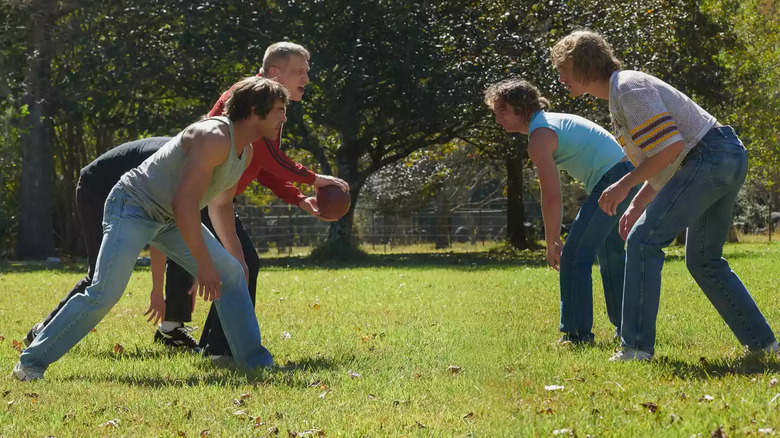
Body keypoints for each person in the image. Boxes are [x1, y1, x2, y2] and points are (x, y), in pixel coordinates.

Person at [13, 76, 286, 381]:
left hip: (168, 219)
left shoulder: (244, 151)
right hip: (133, 208)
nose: (284, 118)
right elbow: (185, 203)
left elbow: (219, 206)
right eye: (279, 110)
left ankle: (254, 363)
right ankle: (31, 363)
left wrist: (236, 260)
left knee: (233, 275)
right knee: (105, 292)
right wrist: (204, 264)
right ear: (253, 110)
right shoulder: (214, 137)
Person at [551, 30, 777, 361]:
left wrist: (623, 186)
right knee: (703, 260)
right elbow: (664, 161)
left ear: (583, 64)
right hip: (721, 157)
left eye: (563, 68)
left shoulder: (628, 87)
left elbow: (670, 149)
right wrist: (637, 206)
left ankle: (636, 348)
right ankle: (765, 345)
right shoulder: (621, 94)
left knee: (643, 241)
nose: (560, 78)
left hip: (708, 158)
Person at [160, 41, 348, 358]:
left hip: (215, 197)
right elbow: (270, 158)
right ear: (275, 72)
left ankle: (210, 344)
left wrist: (300, 198)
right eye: (298, 72)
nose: (306, 79)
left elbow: (261, 165)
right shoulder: (250, 99)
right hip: (199, 196)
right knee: (239, 265)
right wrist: (315, 179)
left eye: (307, 72)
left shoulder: (270, 104)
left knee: (238, 265)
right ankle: (215, 347)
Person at [484, 78, 639, 345]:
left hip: (615, 179)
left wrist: (553, 240)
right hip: (627, 175)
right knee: (610, 253)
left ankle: (577, 335)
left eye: (503, 111)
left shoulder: (540, 136)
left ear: (521, 108)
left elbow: (552, 196)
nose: (498, 119)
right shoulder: (548, 123)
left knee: (574, 255)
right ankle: (628, 329)